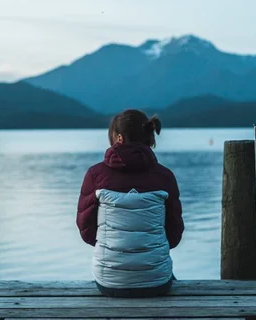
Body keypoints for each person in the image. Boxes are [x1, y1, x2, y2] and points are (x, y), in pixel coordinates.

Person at [76, 109, 184, 297]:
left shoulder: (96, 175)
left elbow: (86, 230)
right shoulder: (164, 176)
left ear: (118, 138)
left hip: (108, 282)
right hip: (157, 282)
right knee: (168, 276)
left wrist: (114, 245)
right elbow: (174, 235)